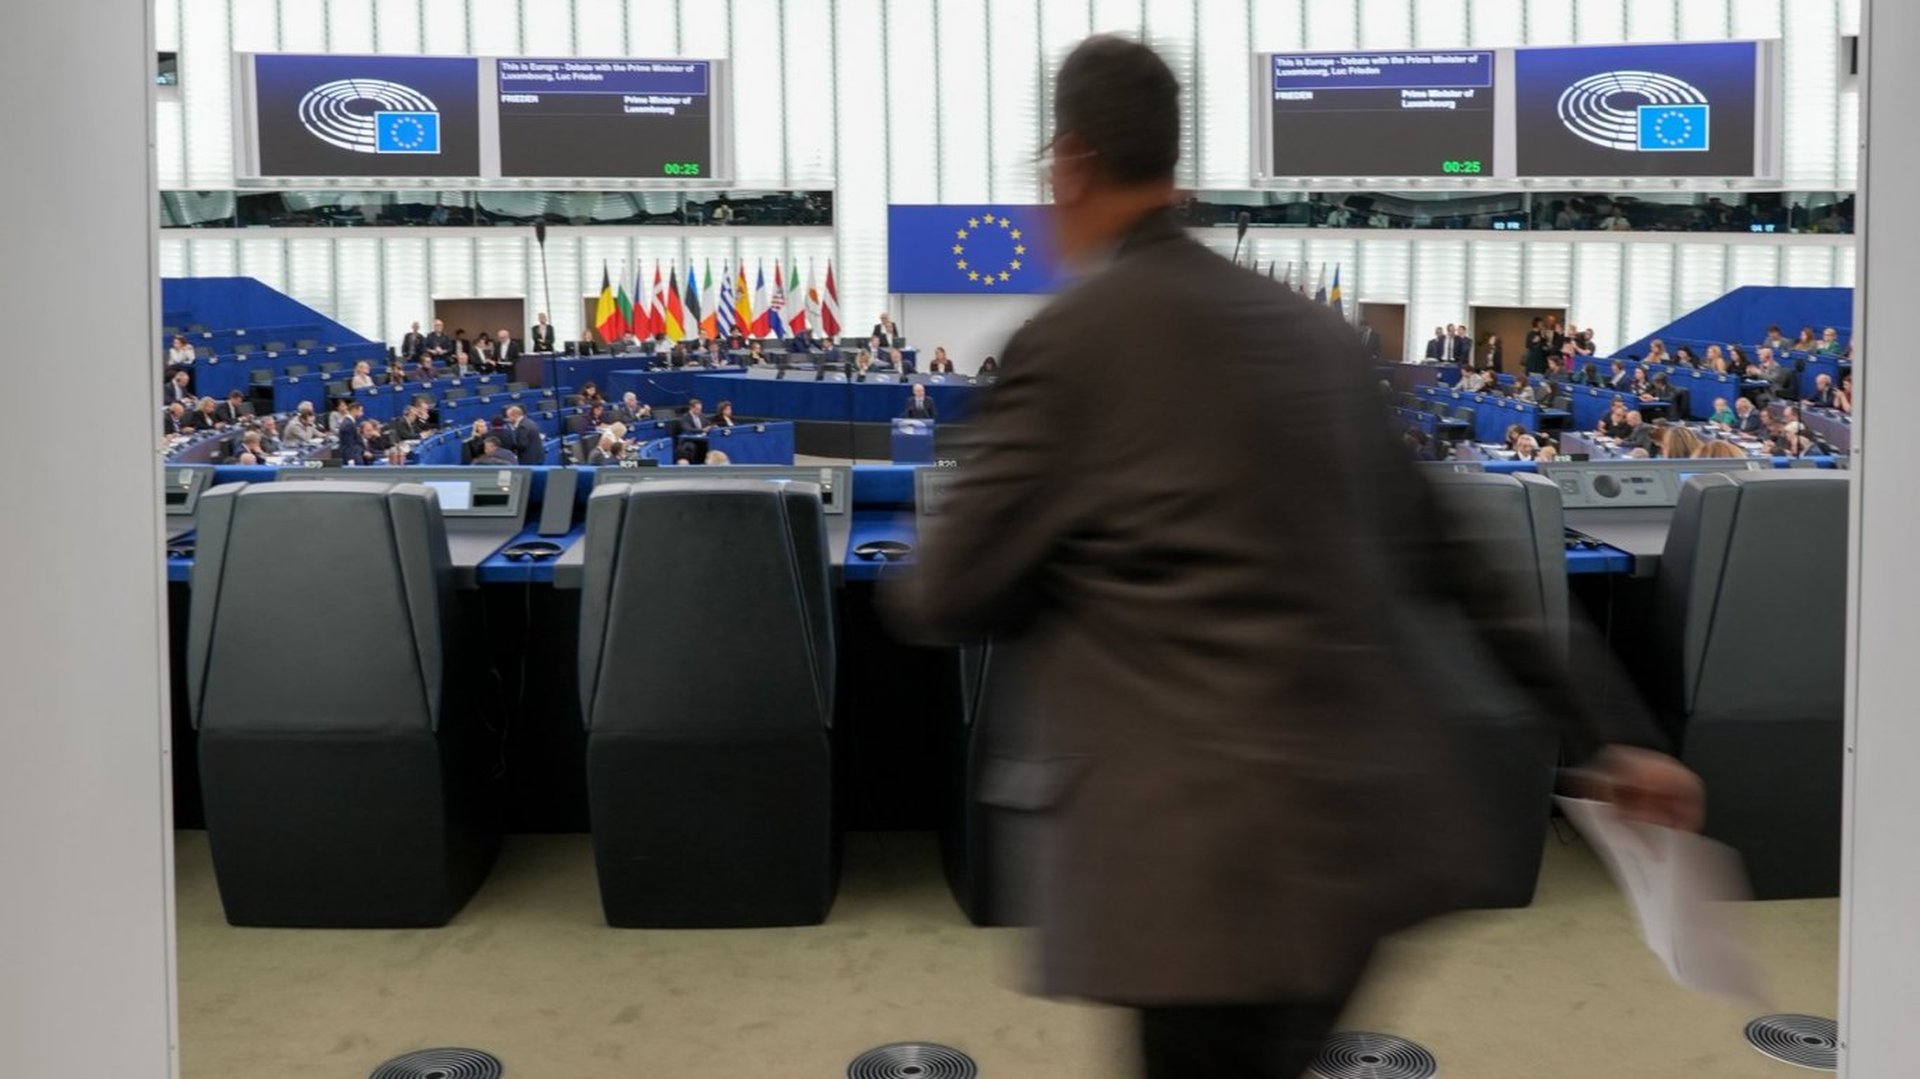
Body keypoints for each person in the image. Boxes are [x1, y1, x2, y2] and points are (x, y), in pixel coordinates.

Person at [885, 36, 1699, 1079]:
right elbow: (1457, 555)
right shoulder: (1311, 331)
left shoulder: (1075, 338)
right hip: (1361, 846)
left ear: (1073, 162)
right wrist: (1612, 738)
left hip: (1201, 876)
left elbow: (948, 589)